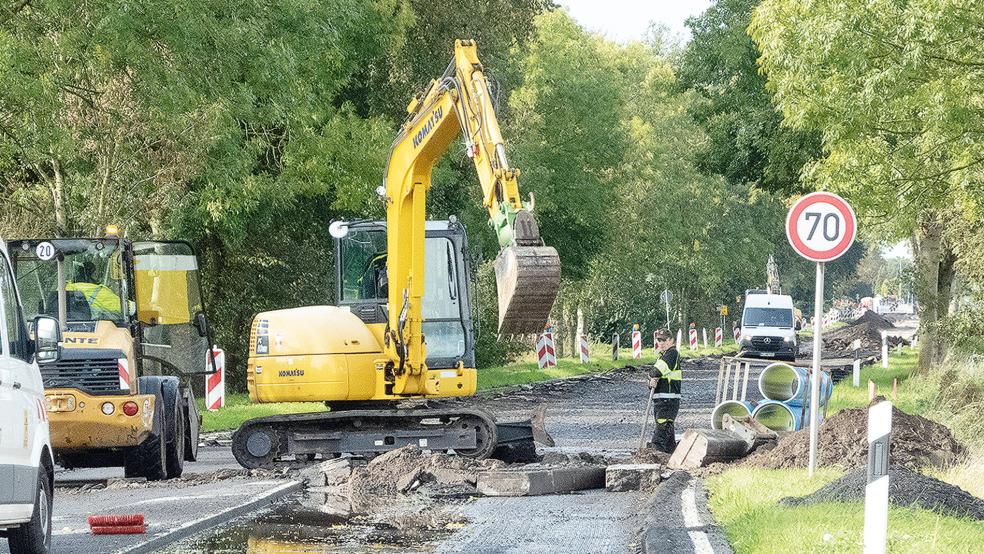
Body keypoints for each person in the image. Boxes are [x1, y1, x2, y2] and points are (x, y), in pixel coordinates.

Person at [648, 330, 682, 453]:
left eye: (664, 340)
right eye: (659, 340)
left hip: (668, 399)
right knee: (668, 434)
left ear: (671, 340)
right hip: (663, 399)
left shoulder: (672, 354)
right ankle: (670, 455)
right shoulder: (664, 355)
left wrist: (652, 377)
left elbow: (655, 372)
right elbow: (655, 375)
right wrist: (651, 380)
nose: (661, 343)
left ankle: (656, 457)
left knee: (661, 432)